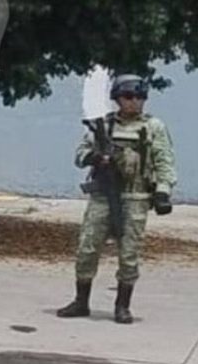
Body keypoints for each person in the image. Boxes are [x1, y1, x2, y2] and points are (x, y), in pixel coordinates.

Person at [56, 74, 176, 324]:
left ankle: (122, 306)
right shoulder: (104, 126)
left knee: (129, 252)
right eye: (128, 96)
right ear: (117, 98)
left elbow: (164, 162)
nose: (134, 101)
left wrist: (163, 191)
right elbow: (80, 154)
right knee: (87, 248)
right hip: (102, 195)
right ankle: (81, 301)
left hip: (135, 197)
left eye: (139, 97)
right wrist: (96, 158)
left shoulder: (153, 127)